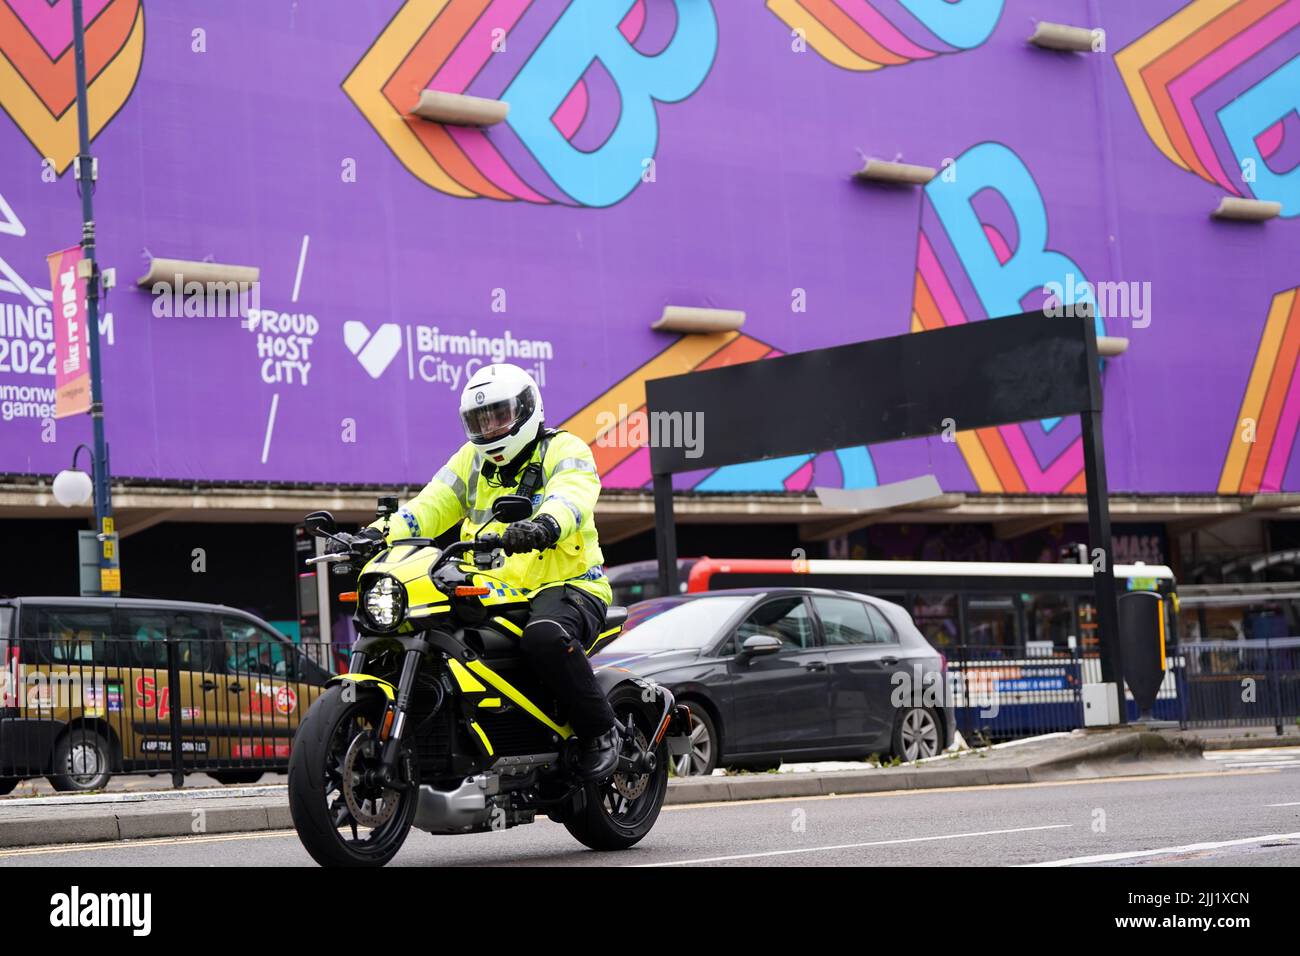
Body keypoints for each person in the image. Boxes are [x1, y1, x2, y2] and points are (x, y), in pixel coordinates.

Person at [354, 363, 621, 780]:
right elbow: (428, 507)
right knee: (433, 634)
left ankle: (601, 733)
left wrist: (543, 525)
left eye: (500, 415)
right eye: (481, 419)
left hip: (568, 586)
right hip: (491, 590)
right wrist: (374, 533)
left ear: (527, 409)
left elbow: (572, 496)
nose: (491, 427)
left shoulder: (564, 449)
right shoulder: (470, 461)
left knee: (545, 636)